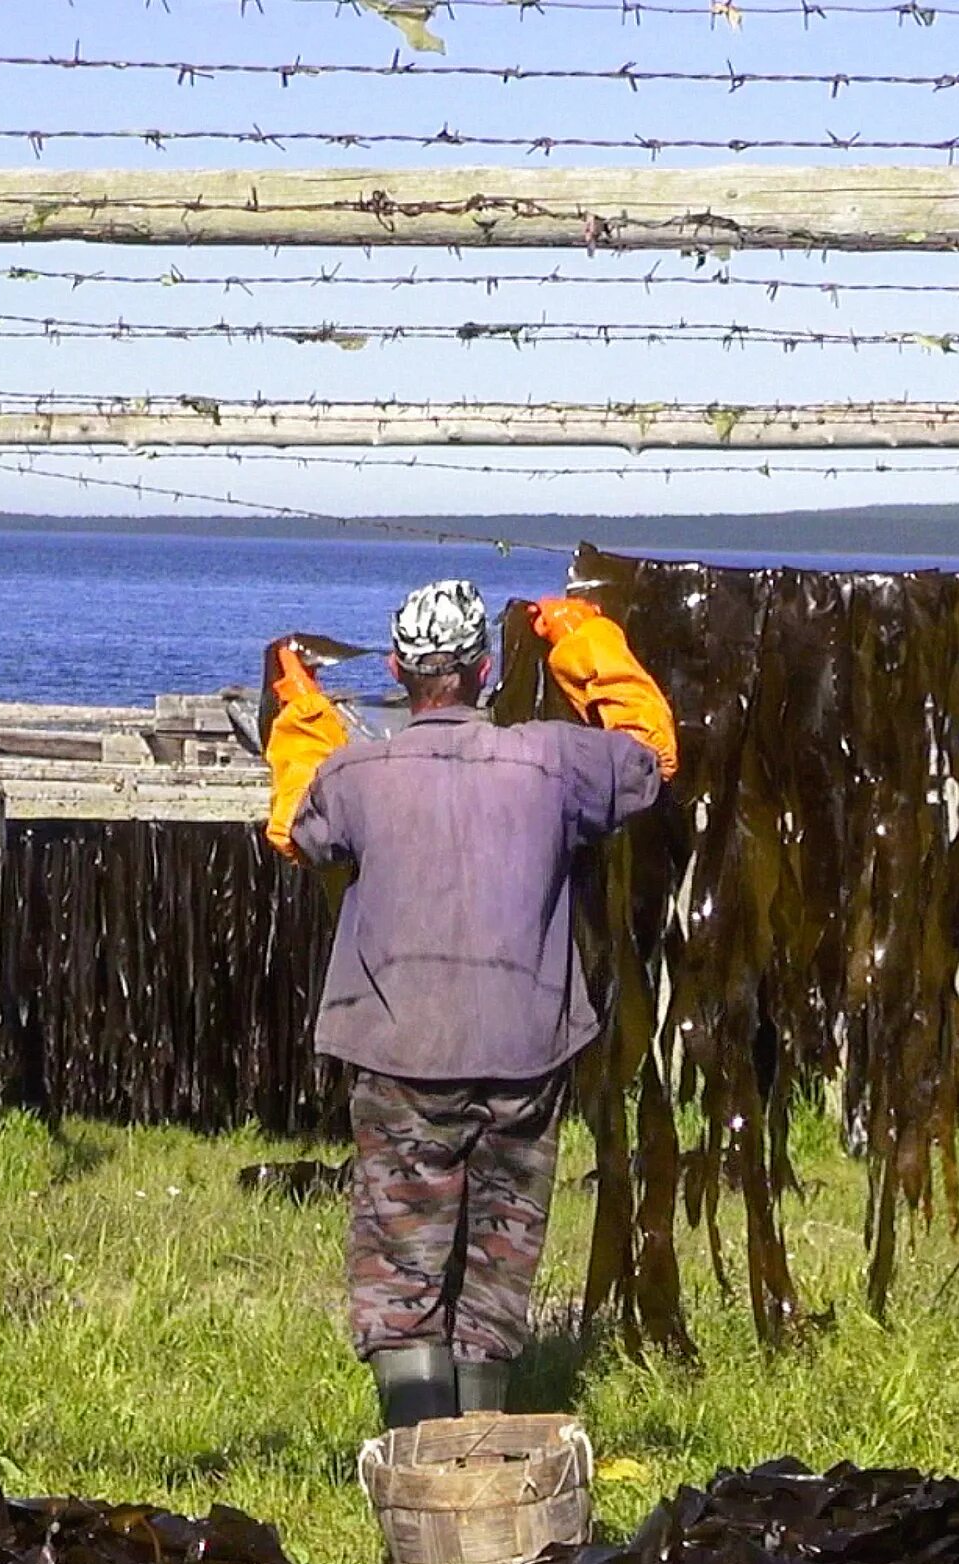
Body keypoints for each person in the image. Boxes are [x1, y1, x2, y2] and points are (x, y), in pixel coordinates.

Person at [260, 580, 680, 1428]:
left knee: (401, 1260)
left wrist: (304, 719)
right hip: (525, 1047)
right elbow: (650, 755)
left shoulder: (357, 773)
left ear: (397, 670)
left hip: (398, 1050)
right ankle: (483, 1454)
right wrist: (582, 640)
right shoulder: (558, 763)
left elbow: (297, 830)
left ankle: (420, 1456)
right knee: (498, 1256)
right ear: (486, 671)